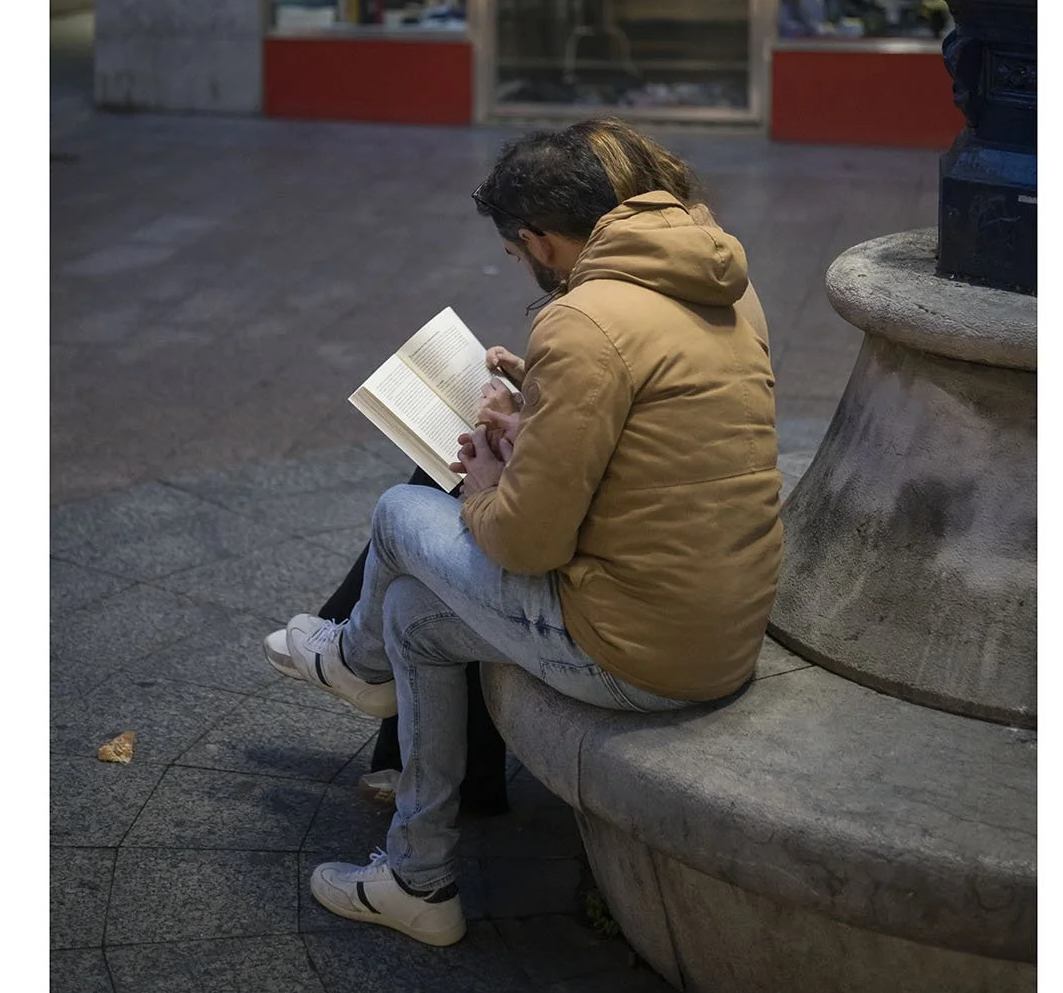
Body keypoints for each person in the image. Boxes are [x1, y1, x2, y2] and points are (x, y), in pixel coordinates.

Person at [268, 120, 783, 947]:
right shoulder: (720, 277)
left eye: (517, 252)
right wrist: (536, 401)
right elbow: (658, 436)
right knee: (412, 621)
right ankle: (416, 879)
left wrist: (482, 481)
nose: (525, 266)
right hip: (716, 622)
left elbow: (525, 546)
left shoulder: (583, 319)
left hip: (636, 649)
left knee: (402, 515)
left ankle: (352, 664)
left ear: (540, 237)